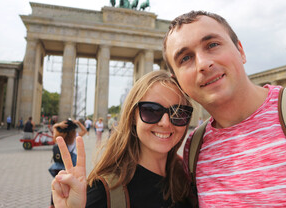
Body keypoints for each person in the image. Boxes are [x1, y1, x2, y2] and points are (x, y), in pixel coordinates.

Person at [162, 11, 286, 207]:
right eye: (185, 58)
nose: (203, 64)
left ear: (240, 50)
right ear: (177, 81)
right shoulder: (194, 150)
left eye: (212, 45)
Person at [51, 70, 195, 208]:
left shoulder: (189, 179)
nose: (165, 122)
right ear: (133, 116)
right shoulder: (104, 192)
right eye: (151, 110)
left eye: (178, 113)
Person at [49, 119, 87, 207]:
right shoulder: (75, 136)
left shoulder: (60, 137)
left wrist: (59, 124)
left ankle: (52, 204)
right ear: (73, 130)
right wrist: (78, 123)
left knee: (57, 185)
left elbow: (54, 128)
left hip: (59, 165)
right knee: (70, 185)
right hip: (72, 165)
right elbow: (85, 131)